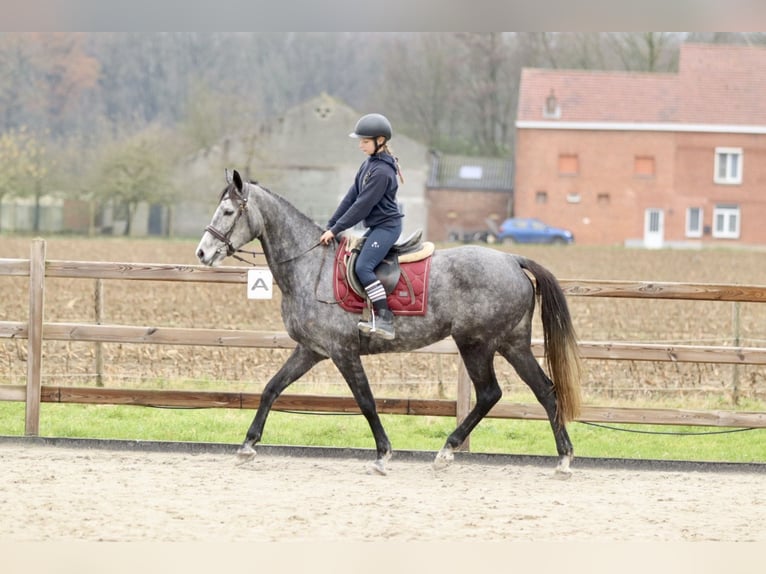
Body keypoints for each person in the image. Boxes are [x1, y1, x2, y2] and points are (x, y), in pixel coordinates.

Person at [319, 113, 404, 340]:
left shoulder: (382, 172)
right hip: (376, 227)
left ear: (380, 140)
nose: (360, 145)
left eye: (365, 141)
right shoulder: (368, 164)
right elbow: (350, 198)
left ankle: (385, 318)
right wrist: (330, 225)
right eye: (360, 141)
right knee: (352, 260)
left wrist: (336, 229)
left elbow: (362, 206)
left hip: (387, 228)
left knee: (363, 267)